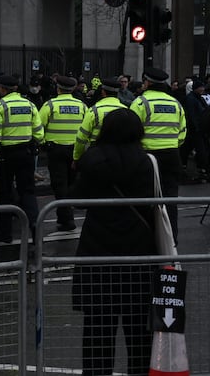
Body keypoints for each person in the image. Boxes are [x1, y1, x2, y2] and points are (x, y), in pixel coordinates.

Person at [68, 108, 156, 376]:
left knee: (97, 334)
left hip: (98, 255)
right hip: (139, 256)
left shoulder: (92, 160)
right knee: (140, 334)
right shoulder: (147, 162)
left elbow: (77, 198)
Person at [0, 74, 44, 244]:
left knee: (5, 194)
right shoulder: (29, 105)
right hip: (26, 154)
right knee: (28, 192)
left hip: (6, 156)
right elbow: (39, 132)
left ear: (2, 89)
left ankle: (6, 234)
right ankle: (35, 228)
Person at [129, 67, 186, 241]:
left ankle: (147, 238)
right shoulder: (175, 103)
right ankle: (171, 238)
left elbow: (130, 131)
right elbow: (182, 133)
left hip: (147, 157)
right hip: (172, 156)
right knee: (170, 200)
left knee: (145, 200)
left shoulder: (140, 103)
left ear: (147, 82)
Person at [38, 76, 86, 231]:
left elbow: (39, 126)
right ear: (72, 89)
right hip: (75, 150)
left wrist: (42, 143)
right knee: (71, 183)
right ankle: (65, 215)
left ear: (58, 88)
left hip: (56, 150)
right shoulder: (82, 106)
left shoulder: (50, 105)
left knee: (59, 185)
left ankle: (67, 220)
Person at [73, 78, 126, 162]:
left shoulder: (94, 111)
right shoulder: (126, 111)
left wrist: (77, 157)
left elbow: (81, 137)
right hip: (119, 155)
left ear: (103, 92)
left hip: (97, 154)